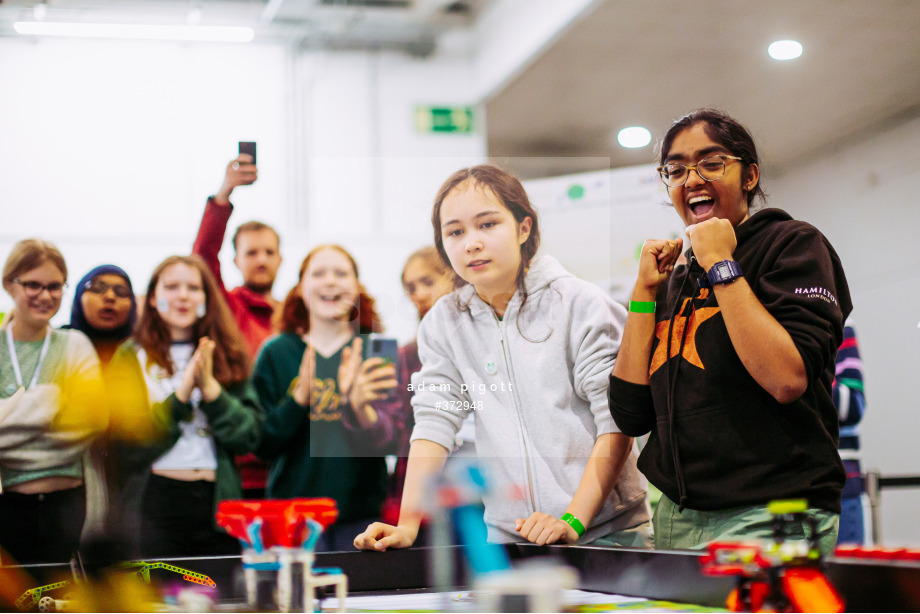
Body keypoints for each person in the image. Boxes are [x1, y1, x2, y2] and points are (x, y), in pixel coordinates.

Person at [354, 164, 649, 552]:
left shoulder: (580, 303)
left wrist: (572, 520)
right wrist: (406, 525)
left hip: (608, 534)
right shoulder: (444, 322)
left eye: (487, 224)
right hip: (511, 539)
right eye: (455, 232)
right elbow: (434, 424)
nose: (471, 243)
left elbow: (617, 424)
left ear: (524, 228)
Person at [608, 108, 852, 555]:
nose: (692, 178)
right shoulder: (677, 277)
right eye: (676, 169)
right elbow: (631, 413)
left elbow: (785, 378)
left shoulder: (792, 244)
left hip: (773, 512)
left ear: (750, 175)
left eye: (712, 162)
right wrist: (644, 293)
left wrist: (722, 264)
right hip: (677, 519)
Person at [106, 255, 261, 559]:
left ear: (206, 298)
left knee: (222, 602)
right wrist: (180, 398)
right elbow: (126, 446)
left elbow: (250, 437)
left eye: (193, 287)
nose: (183, 296)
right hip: (155, 504)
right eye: (171, 287)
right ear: (153, 298)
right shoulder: (130, 355)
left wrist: (213, 392)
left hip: (217, 506)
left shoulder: (226, 353)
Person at [253, 245, 400, 551]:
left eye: (341, 273)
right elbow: (261, 443)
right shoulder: (276, 352)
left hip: (361, 520)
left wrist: (359, 408)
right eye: (318, 273)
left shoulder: (377, 351)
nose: (330, 281)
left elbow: (393, 442)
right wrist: (299, 399)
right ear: (300, 290)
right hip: (292, 519)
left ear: (357, 288)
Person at [0, 239, 107, 566]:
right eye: (33, 284)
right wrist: (54, 399)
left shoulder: (76, 345)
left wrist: (9, 419)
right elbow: (67, 419)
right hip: (7, 505)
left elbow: (93, 419)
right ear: (9, 284)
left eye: (55, 286)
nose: (45, 296)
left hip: (67, 504)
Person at [193, 154, 282, 498]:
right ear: (235, 260)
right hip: (239, 456)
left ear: (280, 258)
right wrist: (223, 195)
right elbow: (201, 258)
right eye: (251, 252)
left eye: (268, 252)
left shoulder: (294, 315)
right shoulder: (227, 306)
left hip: (285, 456)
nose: (261, 259)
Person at [381, 246, 457, 524]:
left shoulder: (481, 342)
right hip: (421, 484)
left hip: (477, 481)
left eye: (428, 282)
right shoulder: (407, 354)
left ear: (454, 277)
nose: (420, 294)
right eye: (411, 288)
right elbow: (396, 430)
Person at [834, 317, 867, 544]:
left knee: (847, 578)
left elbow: (855, 404)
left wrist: (799, 372)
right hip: (784, 483)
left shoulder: (840, 320)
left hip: (841, 481)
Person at [66, 265, 138, 367]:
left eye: (121, 291)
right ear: (79, 296)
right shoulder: (54, 344)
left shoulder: (146, 350)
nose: (110, 296)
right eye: (97, 288)